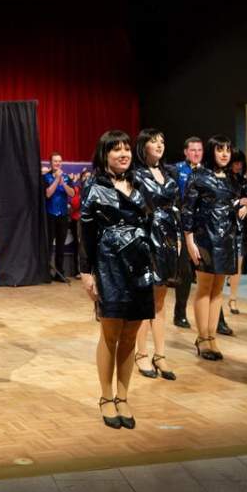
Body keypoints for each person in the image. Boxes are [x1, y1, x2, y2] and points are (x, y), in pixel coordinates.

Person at [79, 130, 158, 430]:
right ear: (104, 154)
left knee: (130, 337)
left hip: (140, 266)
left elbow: (150, 224)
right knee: (110, 335)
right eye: (116, 149)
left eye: (126, 149)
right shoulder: (94, 186)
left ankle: (123, 396)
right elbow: (86, 233)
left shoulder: (139, 183)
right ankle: (106, 397)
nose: (123, 154)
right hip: (109, 266)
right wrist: (87, 272)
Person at [183, 136, 247, 361]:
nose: (225, 154)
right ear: (212, 152)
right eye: (220, 150)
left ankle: (212, 337)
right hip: (204, 238)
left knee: (218, 290)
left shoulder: (232, 179)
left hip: (227, 239)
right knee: (204, 288)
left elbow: (246, 199)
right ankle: (202, 338)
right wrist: (189, 241)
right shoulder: (198, 176)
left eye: (228, 150)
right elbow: (187, 211)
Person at [130, 129, 181, 381]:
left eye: (162, 141)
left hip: (168, 238)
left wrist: (178, 237)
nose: (159, 145)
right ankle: (141, 353)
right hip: (146, 237)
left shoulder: (170, 173)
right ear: (143, 146)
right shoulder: (135, 175)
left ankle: (160, 354)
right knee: (145, 299)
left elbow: (177, 207)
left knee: (160, 300)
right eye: (153, 141)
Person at [224, 148, 247, 331]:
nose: (238, 166)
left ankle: (233, 298)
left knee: (238, 263)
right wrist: (239, 203)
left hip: (239, 229)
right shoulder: (222, 179)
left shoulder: (244, 181)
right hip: (222, 228)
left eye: (240, 163)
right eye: (235, 162)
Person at [171, 137, 204, 328]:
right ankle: (180, 313)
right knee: (185, 272)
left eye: (199, 150)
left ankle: (218, 320)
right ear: (185, 152)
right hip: (183, 228)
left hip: (203, 229)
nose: (196, 153)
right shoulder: (176, 170)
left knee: (209, 272)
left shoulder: (206, 172)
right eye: (193, 150)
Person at [43, 152, 75, 282]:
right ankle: (46, 273)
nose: (57, 163)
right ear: (50, 163)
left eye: (59, 161)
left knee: (61, 245)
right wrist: (56, 180)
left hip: (63, 215)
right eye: (55, 161)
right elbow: (48, 194)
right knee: (49, 245)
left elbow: (72, 194)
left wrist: (63, 183)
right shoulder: (45, 177)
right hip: (50, 214)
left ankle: (60, 273)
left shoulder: (66, 177)